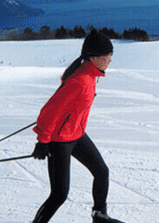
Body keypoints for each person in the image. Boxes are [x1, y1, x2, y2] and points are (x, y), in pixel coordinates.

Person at [30, 32, 123, 223]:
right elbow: (49, 111)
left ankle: (100, 215)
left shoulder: (90, 76)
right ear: (93, 58)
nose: (109, 61)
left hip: (77, 134)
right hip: (59, 141)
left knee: (101, 172)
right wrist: (43, 141)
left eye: (110, 57)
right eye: (106, 58)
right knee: (59, 194)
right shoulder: (79, 81)